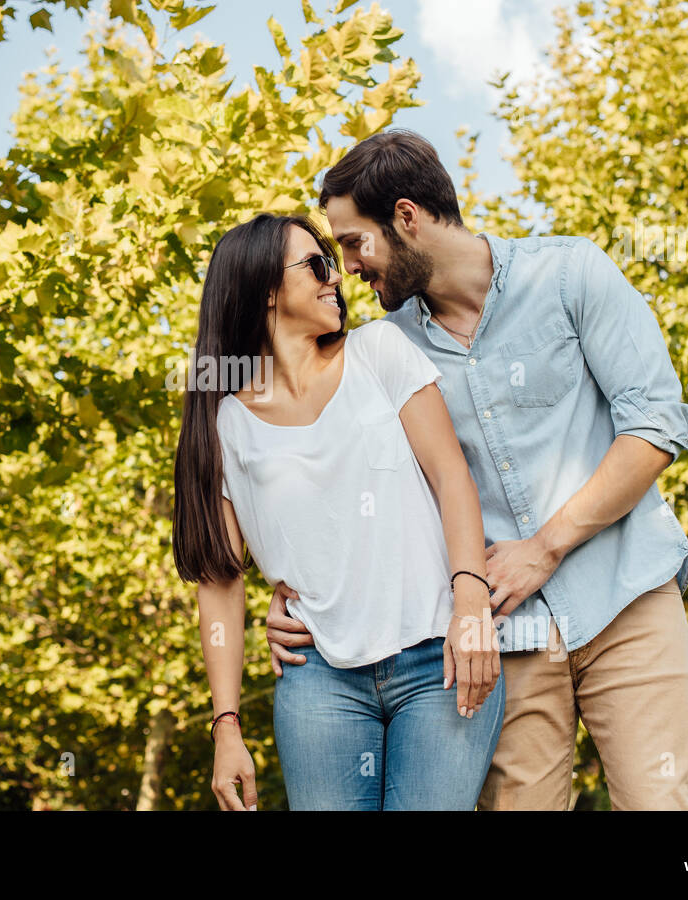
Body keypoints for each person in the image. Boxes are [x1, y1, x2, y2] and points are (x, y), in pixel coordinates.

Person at [266, 129, 688, 810]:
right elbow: (337, 481)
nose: (347, 267)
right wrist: (293, 591)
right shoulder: (382, 348)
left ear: (406, 217)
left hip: (627, 597)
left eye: (354, 243)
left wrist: (545, 546)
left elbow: (654, 425)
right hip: (505, 634)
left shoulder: (571, 275)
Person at [171, 212, 503, 810]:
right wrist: (226, 727)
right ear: (265, 289)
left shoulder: (381, 352)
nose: (336, 278)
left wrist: (472, 607)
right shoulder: (224, 422)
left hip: (438, 658)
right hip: (317, 680)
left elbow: (453, 478)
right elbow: (220, 584)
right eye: (317, 264)